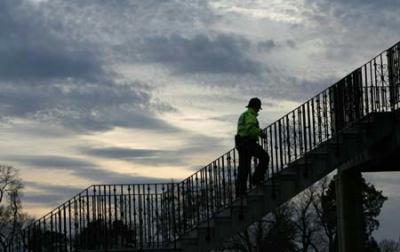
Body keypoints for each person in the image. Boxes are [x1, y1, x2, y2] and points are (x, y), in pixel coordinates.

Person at [235, 97, 269, 196]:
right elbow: (250, 129)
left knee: (244, 168)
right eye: (258, 108)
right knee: (265, 157)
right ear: (255, 107)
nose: (259, 110)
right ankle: (256, 179)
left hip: (241, 143)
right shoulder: (251, 115)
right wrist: (260, 133)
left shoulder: (244, 114)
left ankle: (240, 192)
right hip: (248, 142)